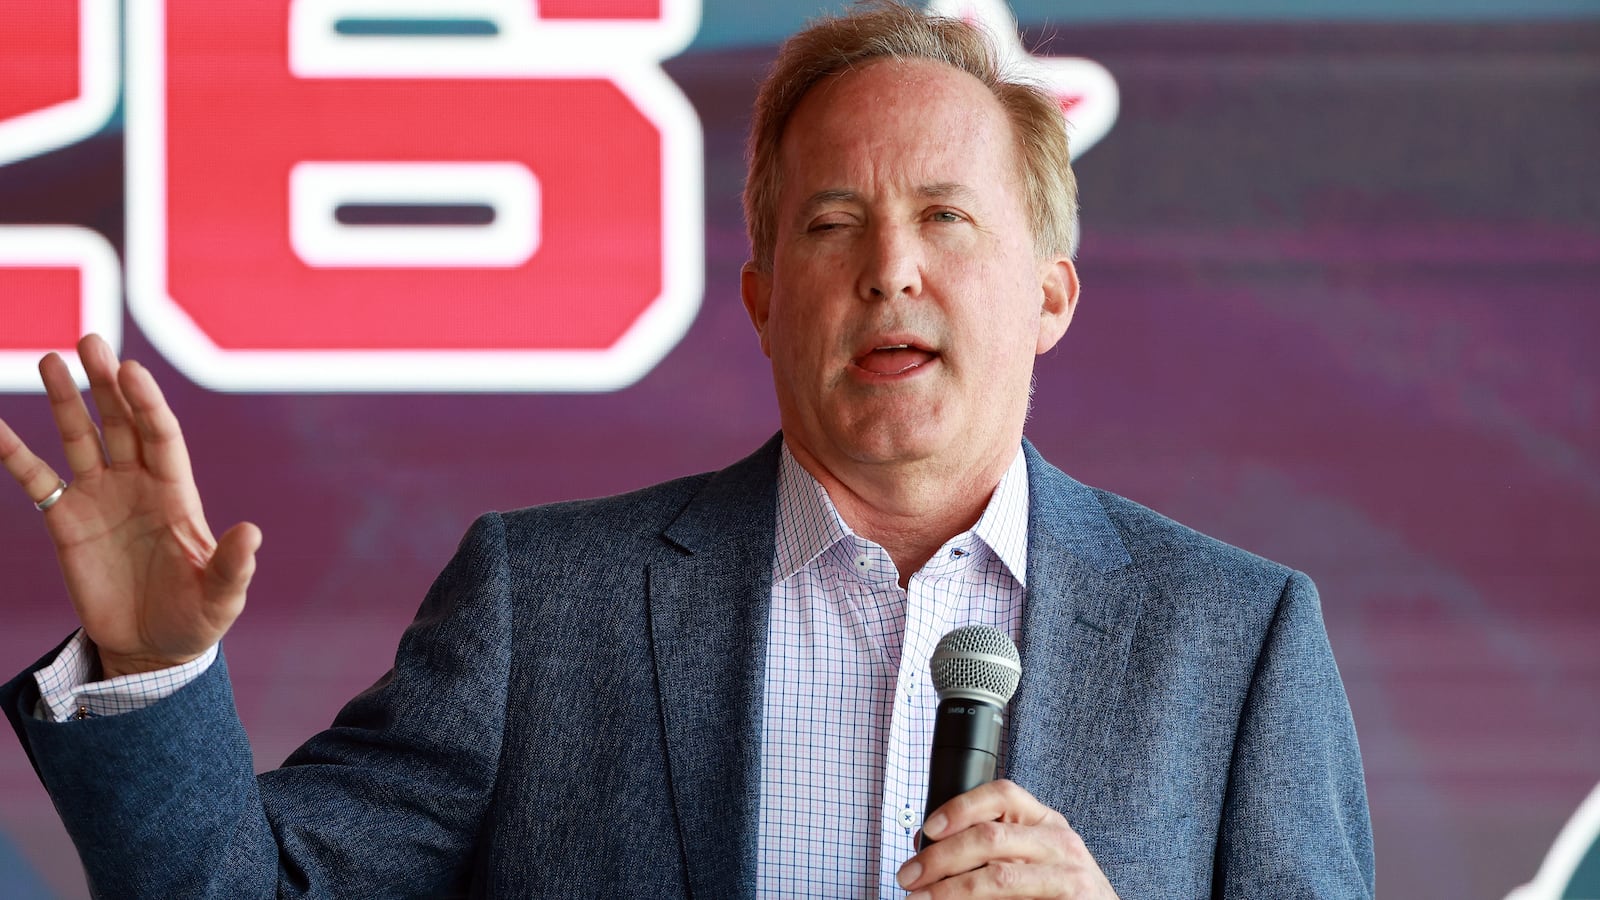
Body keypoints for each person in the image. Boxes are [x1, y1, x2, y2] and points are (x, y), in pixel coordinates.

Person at [0, 2, 1373, 897]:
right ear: (765, 299)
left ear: (1052, 297)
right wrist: (154, 670)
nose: (890, 269)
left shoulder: (1234, 640)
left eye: (948, 219)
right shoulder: (547, 608)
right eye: (833, 225)